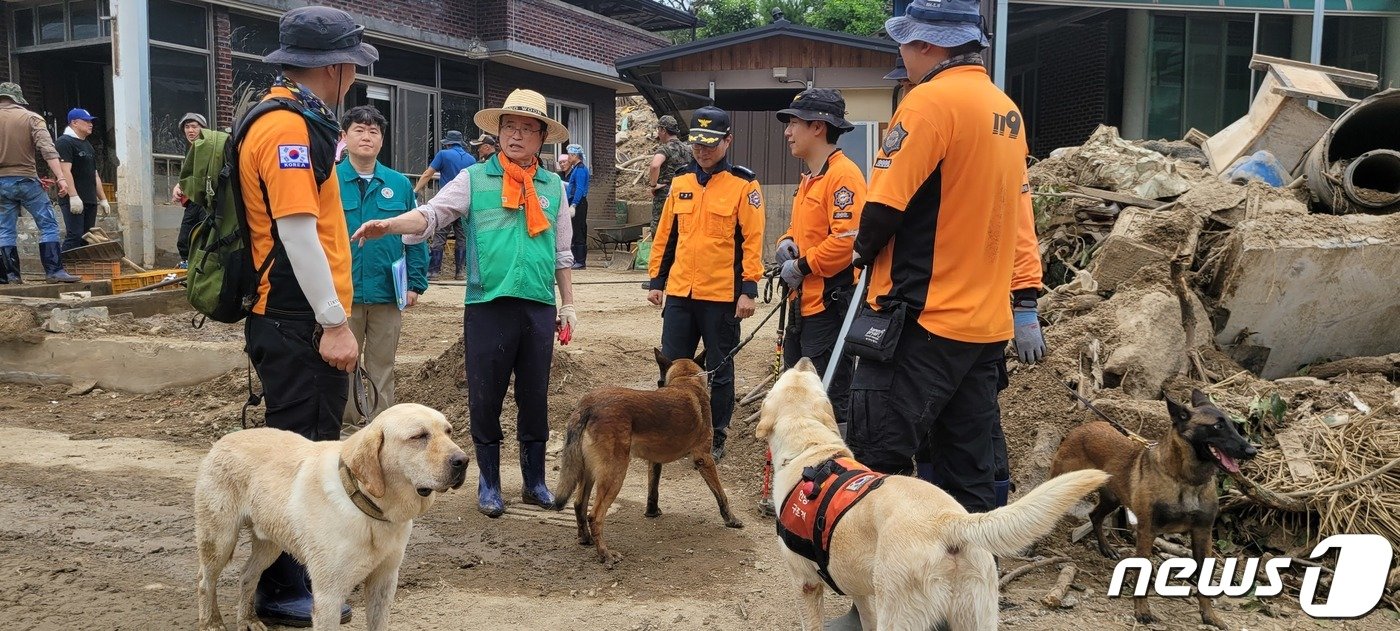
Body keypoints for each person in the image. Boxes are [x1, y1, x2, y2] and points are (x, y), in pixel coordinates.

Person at [351, 88, 578, 519]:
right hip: (488, 305)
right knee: (485, 397)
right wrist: (392, 224)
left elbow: (562, 253)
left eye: (527, 129)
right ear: (498, 131)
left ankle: (534, 482)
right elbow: (433, 214)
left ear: (541, 137)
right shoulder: (474, 178)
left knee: (535, 398)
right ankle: (489, 482)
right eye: (509, 127)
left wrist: (568, 305)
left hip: (537, 307)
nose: (516, 136)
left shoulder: (553, 187)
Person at [239, 6, 377, 626]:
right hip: (298, 321)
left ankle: (293, 581)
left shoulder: (288, 117)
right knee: (300, 457)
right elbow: (297, 232)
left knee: (305, 447)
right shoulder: (290, 130)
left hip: (295, 319)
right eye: (353, 64)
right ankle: (282, 590)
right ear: (336, 66)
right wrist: (333, 322)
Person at [647, 106, 764, 462]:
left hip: (721, 297)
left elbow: (752, 240)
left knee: (719, 369)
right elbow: (666, 235)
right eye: (697, 143)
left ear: (728, 140)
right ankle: (671, 429)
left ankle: (715, 434)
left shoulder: (744, 185)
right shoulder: (680, 181)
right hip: (682, 293)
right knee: (673, 366)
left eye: (711, 143)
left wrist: (749, 289)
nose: (703, 150)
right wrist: (657, 280)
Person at [772, 89, 863, 427]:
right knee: (798, 387)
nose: (787, 132)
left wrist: (801, 265)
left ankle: (833, 466)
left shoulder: (844, 176)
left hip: (829, 305)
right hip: (803, 304)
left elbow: (844, 244)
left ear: (818, 127)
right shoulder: (811, 178)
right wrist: (786, 242)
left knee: (827, 393)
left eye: (794, 123)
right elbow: (799, 230)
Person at [338, 105, 428, 423]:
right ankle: (348, 433)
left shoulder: (400, 184)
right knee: (343, 366)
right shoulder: (328, 182)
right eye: (359, 130)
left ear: (382, 140)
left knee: (382, 366)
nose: (366, 137)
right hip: (341, 294)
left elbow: (415, 234)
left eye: (373, 131)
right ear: (344, 137)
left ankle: (381, 432)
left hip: (386, 293)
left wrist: (416, 283)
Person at [0, 82, 78, 283]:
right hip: (27, 180)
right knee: (48, 224)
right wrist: (61, 178)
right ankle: (54, 271)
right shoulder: (31, 118)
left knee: (5, 229)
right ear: (18, 99)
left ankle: (10, 275)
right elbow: (48, 150)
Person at [415, 130, 474, 281]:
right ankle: (460, 272)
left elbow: (428, 174)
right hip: (464, 204)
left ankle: (434, 272)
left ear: (448, 143)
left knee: (440, 235)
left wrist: (415, 190)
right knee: (462, 237)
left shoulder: (443, 154)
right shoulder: (471, 159)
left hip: (446, 203)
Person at [56, 108, 110, 252]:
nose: (90, 124)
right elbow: (64, 170)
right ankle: (62, 268)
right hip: (74, 198)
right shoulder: (64, 142)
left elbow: (95, 174)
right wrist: (73, 196)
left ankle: (79, 269)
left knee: (87, 237)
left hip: (89, 199)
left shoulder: (87, 145)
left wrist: (103, 199)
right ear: (74, 122)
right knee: (74, 235)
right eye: (86, 121)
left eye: (90, 121)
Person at [173, 112, 208, 268]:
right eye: (187, 127)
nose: (190, 130)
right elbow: (188, 175)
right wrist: (179, 186)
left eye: (194, 126)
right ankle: (187, 266)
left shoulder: (208, 149)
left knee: (205, 235)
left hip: (206, 200)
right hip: (192, 201)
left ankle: (205, 267)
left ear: (203, 129)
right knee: (184, 239)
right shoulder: (190, 149)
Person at [647, 114, 692, 234]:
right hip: (685, 193)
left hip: (665, 193)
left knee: (660, 227)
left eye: (659, 130)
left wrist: (653, 185)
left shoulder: (665, 149)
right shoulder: (689, 149)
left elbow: (655, 165)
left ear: (663, 130)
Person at [562, 143, 590, 269]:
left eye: (569, 155)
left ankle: (580, 260)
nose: (568, 157)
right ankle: (576, 259)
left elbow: (579, 188)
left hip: (578, 203)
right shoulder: (577, 169)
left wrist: (574, 204)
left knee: (578, 230)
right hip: (575, 201)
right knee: (574, 230)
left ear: (574, 155)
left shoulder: (580, 170)